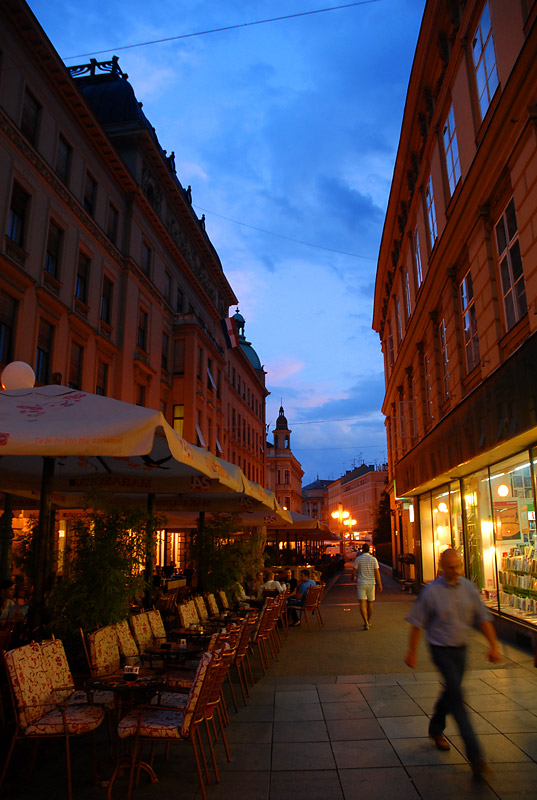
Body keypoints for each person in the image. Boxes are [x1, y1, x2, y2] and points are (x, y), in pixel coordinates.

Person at [404, 548, 501, 778]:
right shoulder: (431, 592)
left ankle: (436, 728)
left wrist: (494, 646)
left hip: (461, 649)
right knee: (457, 697)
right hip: (440, 649)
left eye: (458, 566)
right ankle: (476, 756)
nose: (456, 571)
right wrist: (412, 652)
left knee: (451, 692)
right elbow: (417, 622)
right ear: (441, 568)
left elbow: (483, 618)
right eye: (451, 567)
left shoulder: (468, 588)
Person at [351, 543, 382, 630]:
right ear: (369, 550)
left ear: (362, 550)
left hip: (361, 583)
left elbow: (354, 570)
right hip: (371, 583)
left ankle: (365, 622)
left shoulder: (358, 559)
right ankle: (369, 620)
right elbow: (377, 572)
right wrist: (380, 584)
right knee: (370, 603)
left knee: (362, 603)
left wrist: (353, 576)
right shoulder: (374, 559)